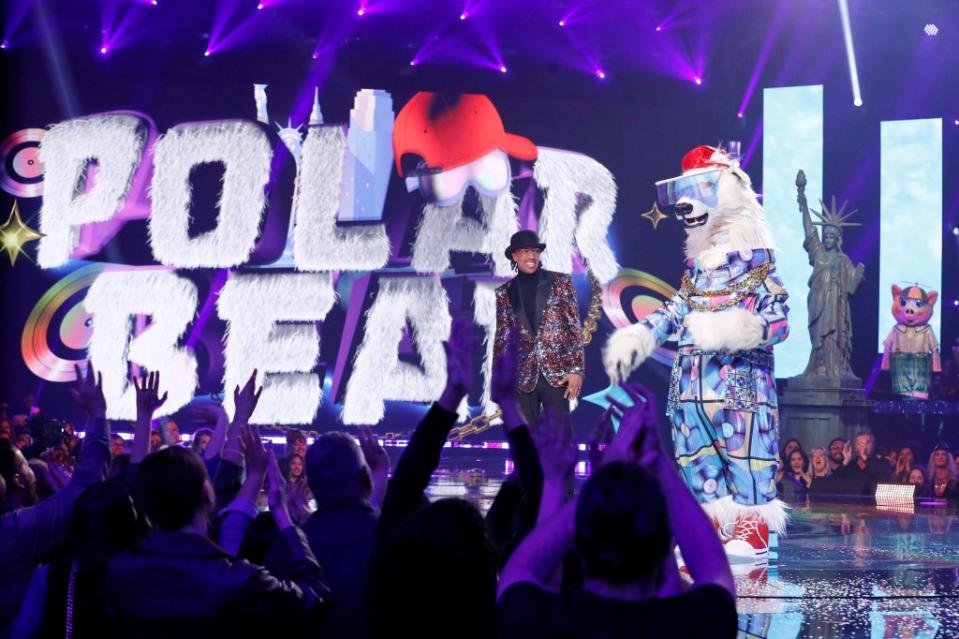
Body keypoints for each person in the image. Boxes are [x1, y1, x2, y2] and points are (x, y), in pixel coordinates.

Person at [497, 383, 737, 639]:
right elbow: (714, 568)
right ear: (665, 546)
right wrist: (659, 461)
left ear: (577, 542)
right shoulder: (695, 627)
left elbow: (523, 571)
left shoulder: (540, 626)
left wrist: (582, 480)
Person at [104, 444, 329, 634]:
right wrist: (283, 516)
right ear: (206, 493)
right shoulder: (238, 579)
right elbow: (314, 596)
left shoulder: (116, 570)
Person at [0, 365, 111, 630]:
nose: (31, 467)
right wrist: (97, 413)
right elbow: (85, 487)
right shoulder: (12, 532)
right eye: (24, 464)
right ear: (14, 480)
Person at [494, 229, 585, 427]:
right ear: (515, 256)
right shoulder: (504, 293)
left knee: (559, 440)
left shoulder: (560, 282)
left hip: (556, 374)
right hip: (521, 376)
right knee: (526, 443)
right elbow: (502, 339)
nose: (532, 256)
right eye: (525, 251)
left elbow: (573, 328)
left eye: (535, 251)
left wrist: (576, 369)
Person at [799, 185, 865, 377]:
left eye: (831, 236)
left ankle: (832, 369)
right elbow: (810, 232)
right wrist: (804, 204)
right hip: (817, 301)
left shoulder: (843, 260)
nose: (827, 239)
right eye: (825, 236)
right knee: (818, 335)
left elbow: (852, 287)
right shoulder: (818, 253)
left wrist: (859, 273)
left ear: (837, 239)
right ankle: (817, 367)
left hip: (835, 305)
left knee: (832, 336)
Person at [833, 430, 892, 496]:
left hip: (873, 502)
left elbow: (883, 479)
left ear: (873, 445)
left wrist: (865, 459)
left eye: (867, 443)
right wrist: (846, 460)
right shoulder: (850, 465)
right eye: (860, 443)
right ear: (855, 447)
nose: (864, 447)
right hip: (853, 502)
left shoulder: (882, 462)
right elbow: (834, 480)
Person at [286, 453, 313, 524]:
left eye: (300, 464)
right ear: (288, 465)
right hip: (287, 523)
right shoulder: (282, 485)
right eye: (293, 463)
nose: (297, 467)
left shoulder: (304, 484)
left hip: (304, 523)